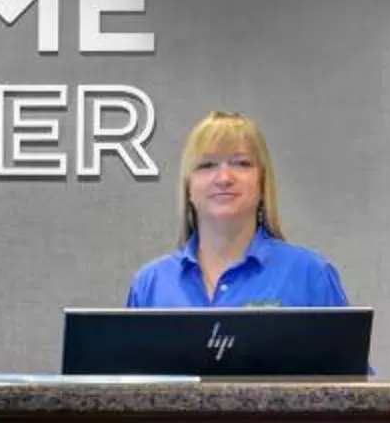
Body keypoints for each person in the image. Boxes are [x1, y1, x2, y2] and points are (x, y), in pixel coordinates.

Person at [126, 110, 352, 309]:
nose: (224, 178)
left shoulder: (310, 276)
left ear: (263, 182)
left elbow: (346, 359)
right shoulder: (150, 285)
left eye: (241, 163)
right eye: (207, 165)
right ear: (188, 187)